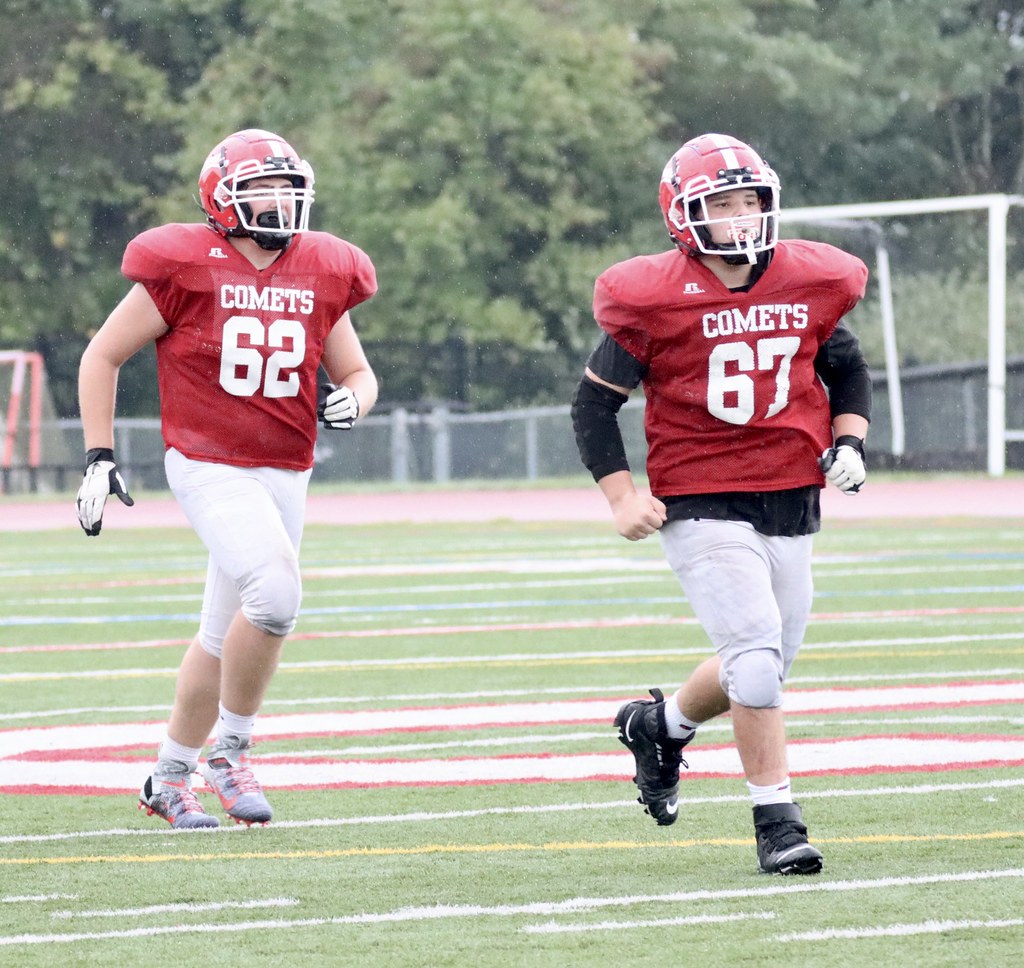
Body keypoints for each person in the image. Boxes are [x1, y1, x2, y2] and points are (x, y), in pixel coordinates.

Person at [570, 133, 870, 875]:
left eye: (750, 202)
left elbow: (845, 365)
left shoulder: (810, 278)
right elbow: (591, 407)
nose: (740, 219)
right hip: (700, 495)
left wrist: (852, 441)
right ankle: (778, 822)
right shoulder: (652, 295)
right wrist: (620, 497)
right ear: (684, 214)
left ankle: (659, 726)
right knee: (758, 666)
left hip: (790, 490)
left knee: (761, 661)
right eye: (722, 205)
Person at [76, 128, 379, 829]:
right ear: (223, 199)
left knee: (220, 636)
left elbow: (357, 372)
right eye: (261, 191)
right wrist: (98, 455)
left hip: (287, 467)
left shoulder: (321, 268)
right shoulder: (186, 265)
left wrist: (354, 400)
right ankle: (232, 751)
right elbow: (101, 356)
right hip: (208, 460)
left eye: (286, 189)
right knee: (274, 596)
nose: (278, 203)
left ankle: (167, 776)